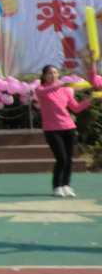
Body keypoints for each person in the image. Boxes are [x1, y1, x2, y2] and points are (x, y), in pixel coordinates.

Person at [34, 65, 95, 197]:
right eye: (50, 73)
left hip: (68, 127)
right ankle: (56, 186)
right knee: (61, 158)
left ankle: (65, 185)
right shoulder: (41, 90)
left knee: (69, 158)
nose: (53, 75)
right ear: (44, 76)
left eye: (55, 73)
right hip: (52, 130)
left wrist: (90, 99)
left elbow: (76, 108)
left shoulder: (65, 90)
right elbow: (41, 92)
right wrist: (61, 85)